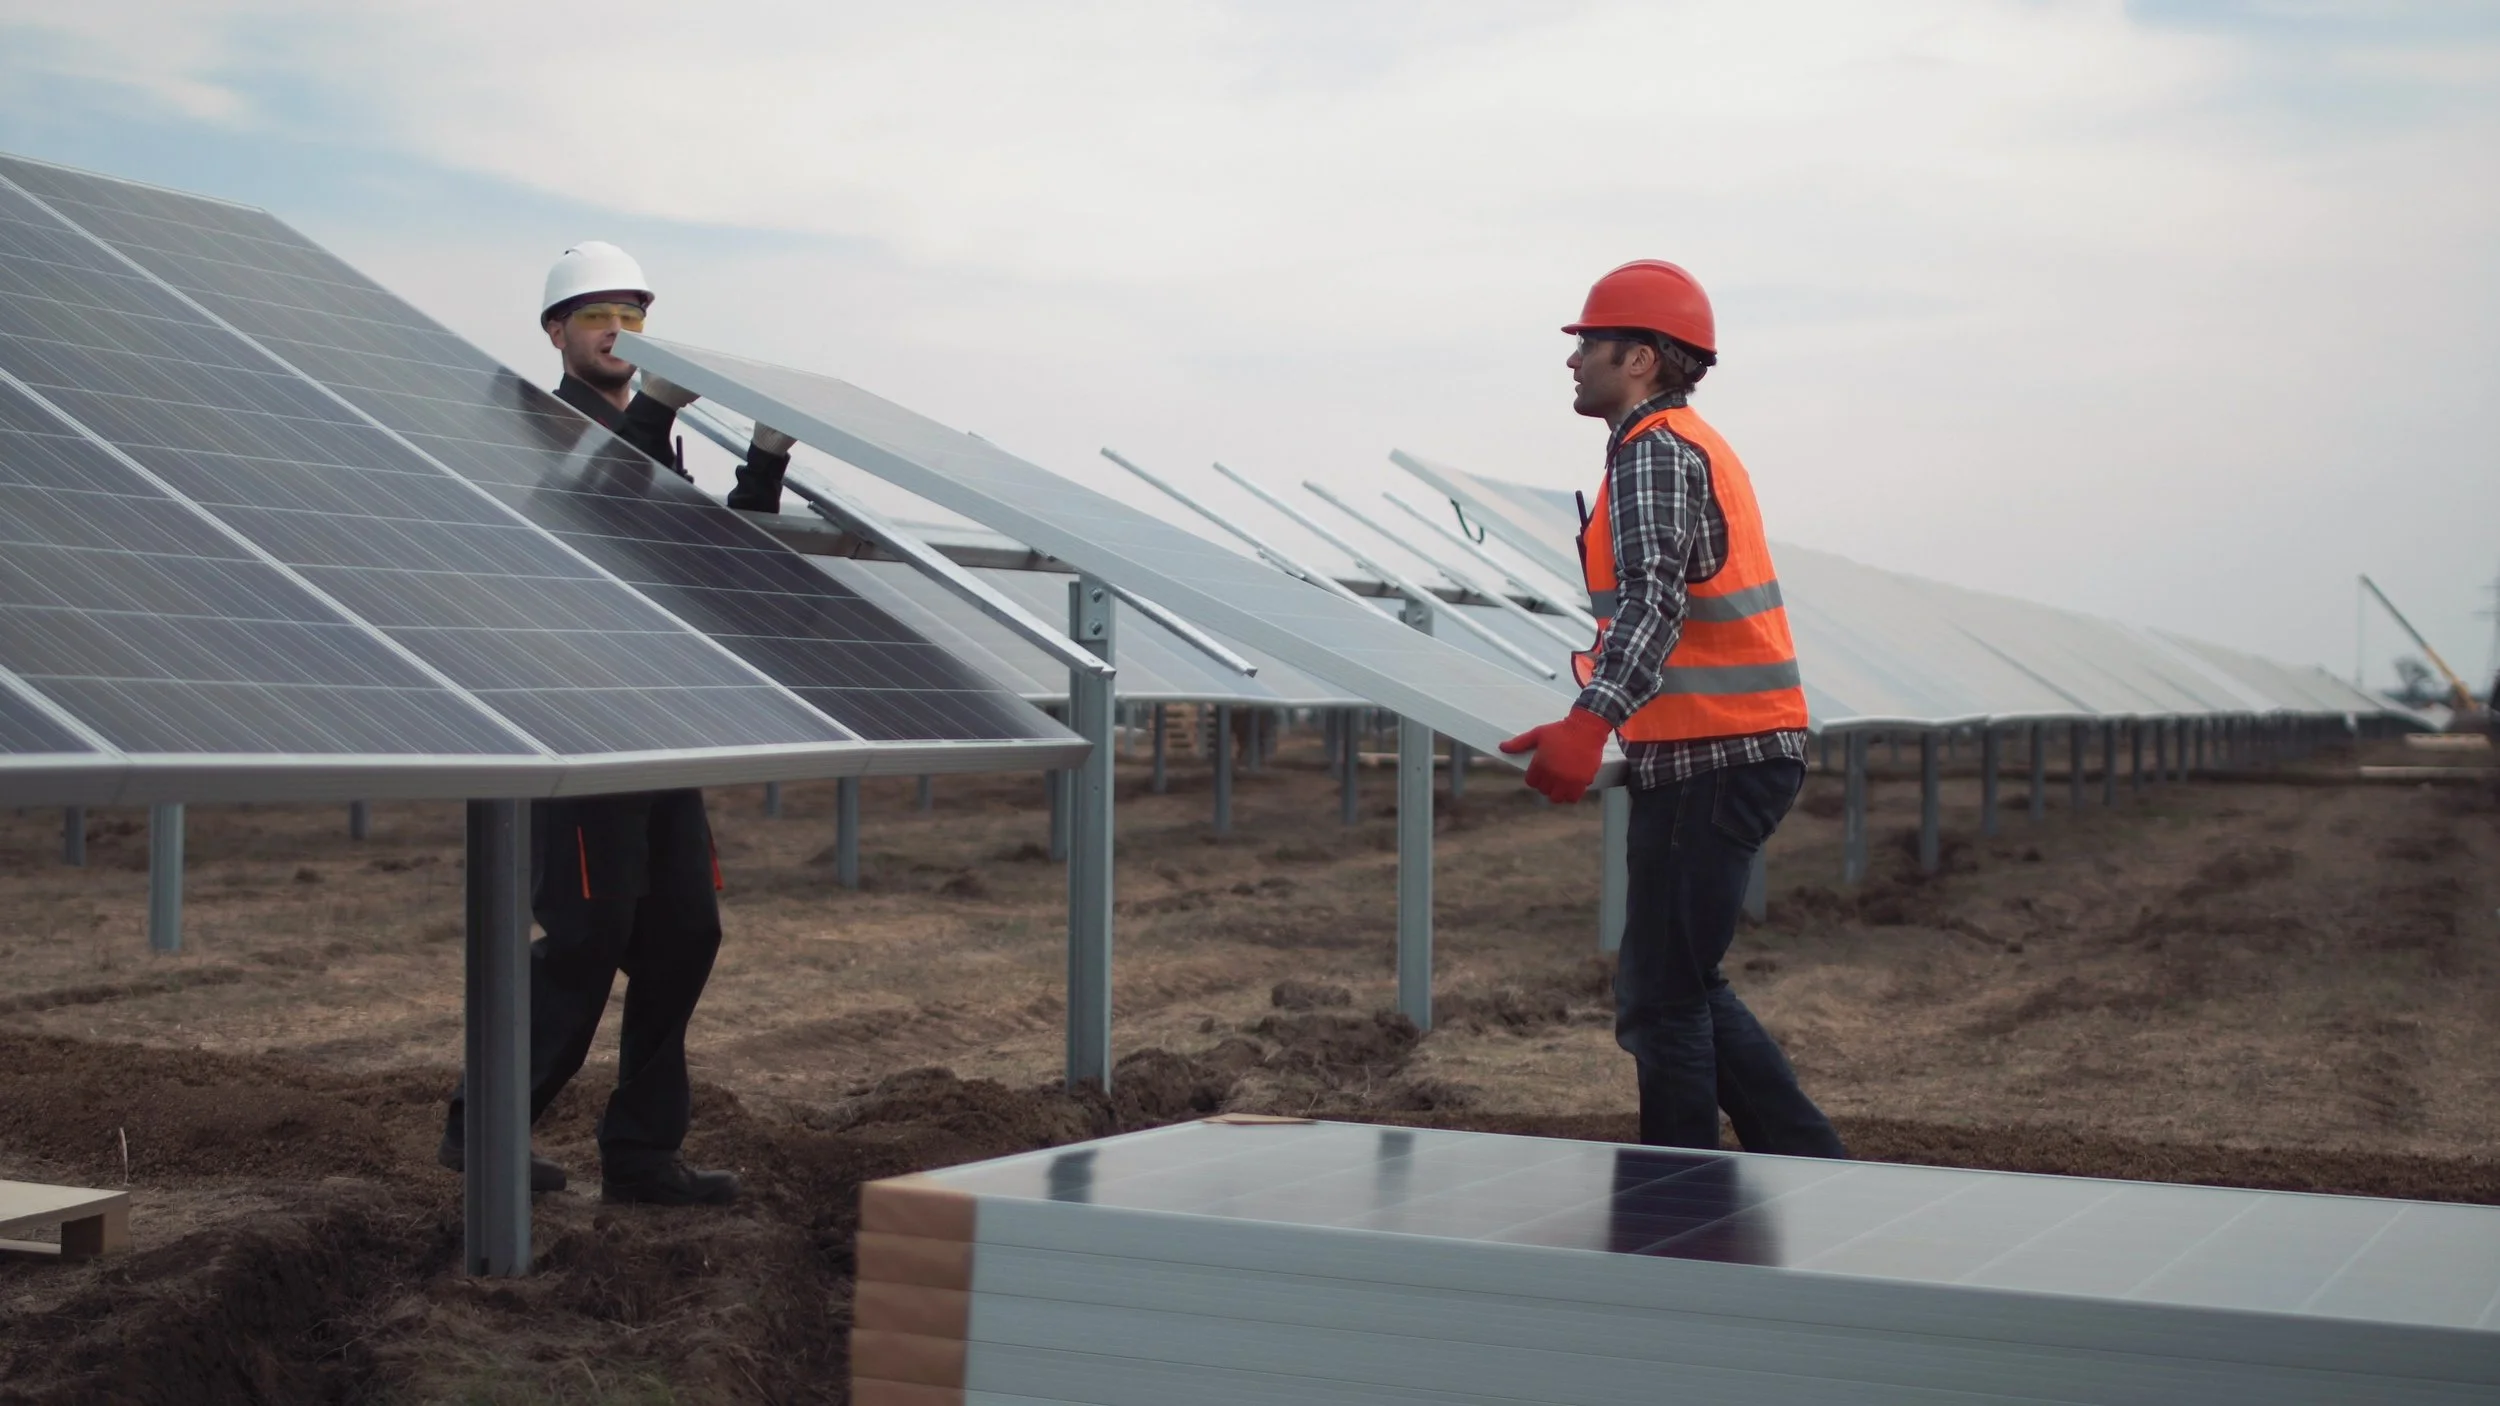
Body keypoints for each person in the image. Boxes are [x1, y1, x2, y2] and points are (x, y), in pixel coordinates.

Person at [438, 241, 798, 1206]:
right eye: (596, 314)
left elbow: (717, 555)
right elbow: (586, 519)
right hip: (578, 726)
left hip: (659, 725)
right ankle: (483, 1132)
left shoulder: (658, 435)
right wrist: (655, 410)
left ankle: (641, 1155)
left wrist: (764, 458)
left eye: (634, 316)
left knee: (686, 932)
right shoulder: (532, 423)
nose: (617, 331)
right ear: (555, 332)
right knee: (589, 936)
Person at [1500, 260, 1846, 1159]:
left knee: (1663, 998)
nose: (1573, 362)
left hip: (1713, 758)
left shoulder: (1656, 452)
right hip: (1716, 754)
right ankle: (1809, 1163)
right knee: (1674, 987)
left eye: (1590, 345)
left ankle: (1678, 1202)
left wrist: (1589, 721)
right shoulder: (1678, 445)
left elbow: (1656, 603)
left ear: (1642, 359)